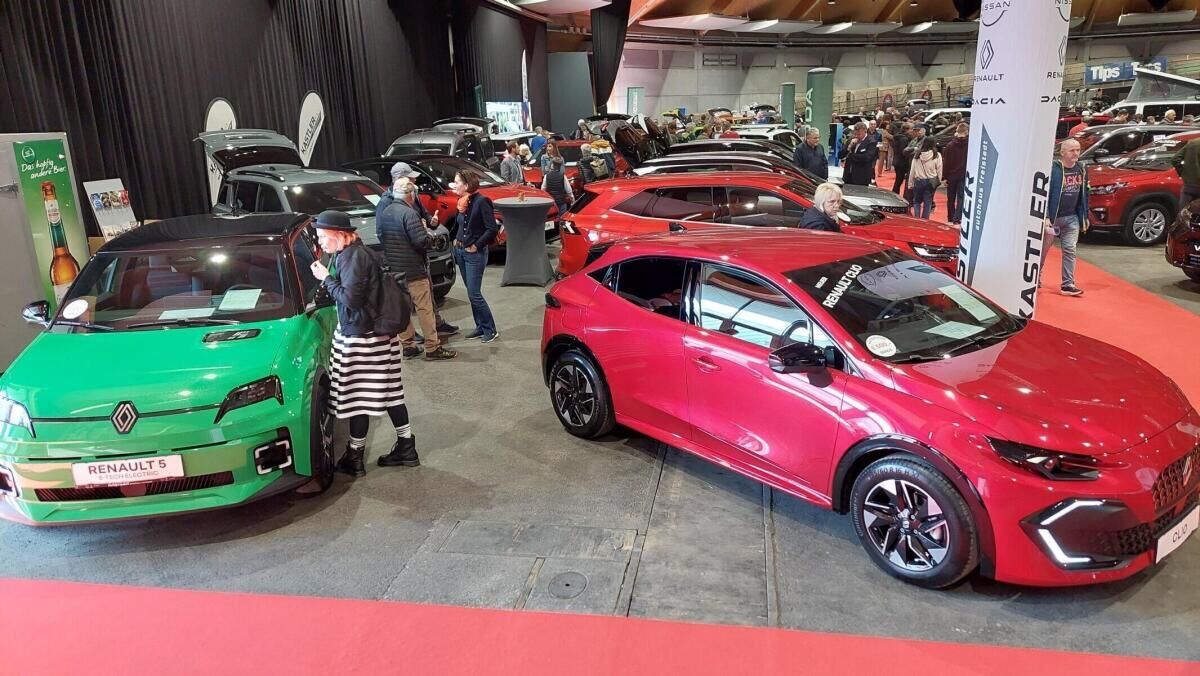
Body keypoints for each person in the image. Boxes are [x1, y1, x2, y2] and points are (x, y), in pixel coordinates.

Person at [308, 210, 420, 475]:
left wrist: (326, 278)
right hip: (379, 337)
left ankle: (355, 456)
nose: (320, 242)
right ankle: (406, 447)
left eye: (322, 237)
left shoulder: (352, 257)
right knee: (390, 393)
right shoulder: (356, 253)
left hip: (362, 339)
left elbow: (351, 299)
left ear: (339, 235)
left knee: (359, 399)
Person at [380, 182, 457, 361]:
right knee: (425, 308)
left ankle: (408, 346)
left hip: (394, 270)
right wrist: (427, 233)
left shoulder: (385, 212)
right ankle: (432, 347)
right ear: (411, 195)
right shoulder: (409, 213)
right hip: (414, 270)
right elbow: (421, 241)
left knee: (403, 310)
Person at [452, 171, 500, 342]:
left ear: (466, 185)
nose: (454, 185)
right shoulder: (462, 202)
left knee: (474, 293)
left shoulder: (482, 201)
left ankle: (490, 329)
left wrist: (476, 245)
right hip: (460, 251)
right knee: (470, 292)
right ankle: (480, 326)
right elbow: (460, 225)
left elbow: (491, 229)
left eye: (457, 182)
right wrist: (455, 239)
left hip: (474, 254)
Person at [1040, 139, 1088, 297]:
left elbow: (1084, 194)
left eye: (1078, 150)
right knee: (1043, 250)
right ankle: (1035, 278)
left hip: (1072, 217)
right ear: (1062, 152)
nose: (1075, 153)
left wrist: (1084, 216)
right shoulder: (1053, 169)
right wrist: (1046, 216)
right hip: (1053, 219)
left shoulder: (1082, 169)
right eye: (1072, 150)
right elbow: (1045, 194)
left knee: (1070, 250)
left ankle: (1068, 284)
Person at [908, 137, 942, 220]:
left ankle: (917, 219)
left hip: (919, 180)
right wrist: (939, 181)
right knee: (928, 203)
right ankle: (925, 220)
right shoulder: (937, 155)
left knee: (916, 202)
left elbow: (912, 170)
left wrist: (910, 183)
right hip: (931, 181)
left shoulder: (917, 155)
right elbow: (939, 169)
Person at [942, 123, 969, 225]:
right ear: (966, 132)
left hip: (951, 176)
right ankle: (957, 218)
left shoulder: (950, 146)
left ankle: (950, 218)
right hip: (963, 175)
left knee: (951, 198)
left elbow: (946, 163)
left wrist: (944, 177)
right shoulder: (969, 145)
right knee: (961, 197)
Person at [840, 121, 878, 187]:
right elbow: (841, 155)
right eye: (855, 133)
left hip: (862, 177)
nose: (857, 136)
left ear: (865, 131)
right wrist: (849, 147)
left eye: (859, 134)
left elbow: (867, 158)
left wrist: (851, 156)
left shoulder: (871, 142)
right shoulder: (852, 139)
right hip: (848, 175)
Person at [541, 155, 574, 220]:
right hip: (561, 202)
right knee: (562, 219)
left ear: (552, 165)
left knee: (551, 219)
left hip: (551, 203)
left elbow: (543, 189)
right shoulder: (563, 176)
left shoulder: (546, 176)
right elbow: (569, 190)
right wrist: (572, 199)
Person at [1172, 135, 1200, 206]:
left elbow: (1175, 159)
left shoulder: (1192, 143)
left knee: (1185, 209)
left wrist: (1183, 173)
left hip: (1189, 184)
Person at [891, 122, 914, 194]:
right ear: (906, 129)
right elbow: (903, 151)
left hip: (897, 160)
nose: (912, 131)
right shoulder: (904, 139)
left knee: (898, 181)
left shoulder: (897, 137)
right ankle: (895, 195)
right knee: (899, 181)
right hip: (901, 162)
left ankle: (895, 194)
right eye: (911, 129)